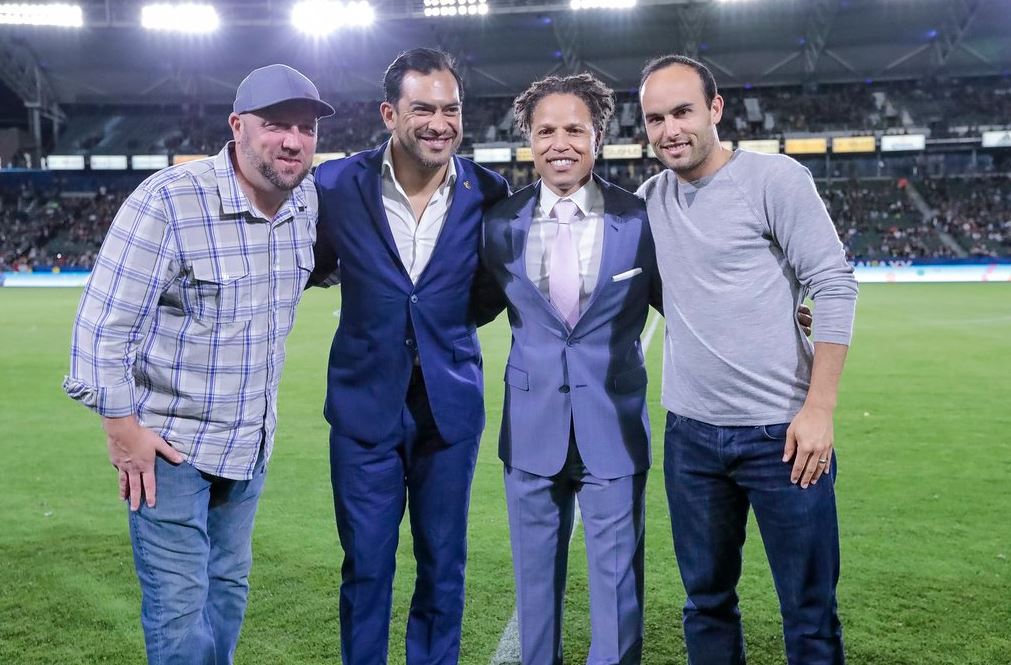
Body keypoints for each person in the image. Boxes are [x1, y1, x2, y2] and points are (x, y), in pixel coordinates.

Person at [63, 64, 332, 664]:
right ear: (237, 127)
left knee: (227, 599)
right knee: (180, 617)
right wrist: (121, 428)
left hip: (249, 448)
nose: (293, 140)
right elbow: (102, 326)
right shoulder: (169, 201)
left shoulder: (305, 200)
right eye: (275, 125)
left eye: (306, 128)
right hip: (169, 452)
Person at [637, 54, 858, 665]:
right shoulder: (650, 199)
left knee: (809, 614)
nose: (669, 130)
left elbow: (834, 286)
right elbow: (661, 291)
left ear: (715, 109)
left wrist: (819, 408)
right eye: (655, 118)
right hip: (691, 438)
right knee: (705, 604)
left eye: (682, 111)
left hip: (783, 435)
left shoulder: (775, 181)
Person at [310, 48, 510, 665]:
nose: (439, 122)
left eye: (451, 109)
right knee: (366, 567)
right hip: (364, 406)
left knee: (443, 566)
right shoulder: (336, 185)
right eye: (422, 108)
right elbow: (307, 265)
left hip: (448, 410)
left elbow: (489, 292)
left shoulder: (488, 191)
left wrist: (435, 330)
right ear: (389, 113)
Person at [477, 74, 661, 665]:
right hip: (531, 428)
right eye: (546, 130)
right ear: (528, 139)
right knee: (534, 588)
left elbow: (688, 303)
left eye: (574, 129)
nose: (560, 142)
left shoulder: (639, 219)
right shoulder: (499, 222)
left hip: (614, 425)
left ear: (598, 136)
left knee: (617, 589)